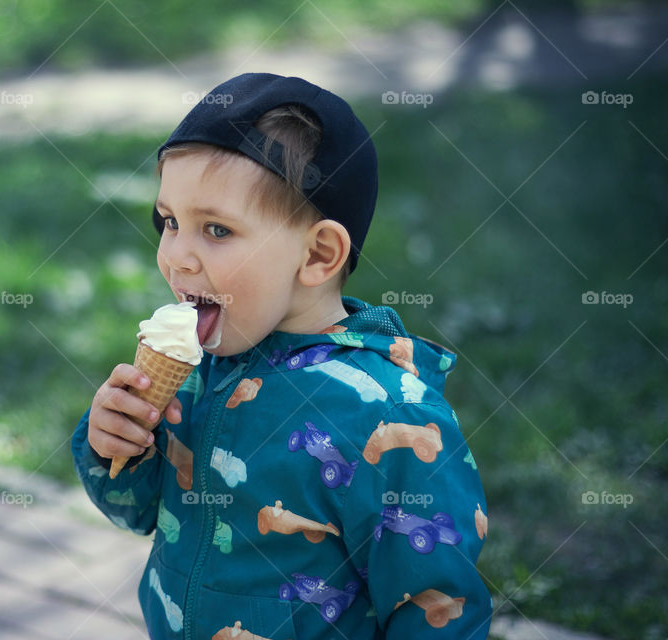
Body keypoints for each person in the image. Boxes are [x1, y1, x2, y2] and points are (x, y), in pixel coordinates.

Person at [71, 72, 491, 639]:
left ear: (318, 254)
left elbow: (436, 606)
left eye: (216, 230)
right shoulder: (197, 370)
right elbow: (137, 512)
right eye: (168, 221)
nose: (177, 257)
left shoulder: (385, 413)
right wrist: (113, 448)